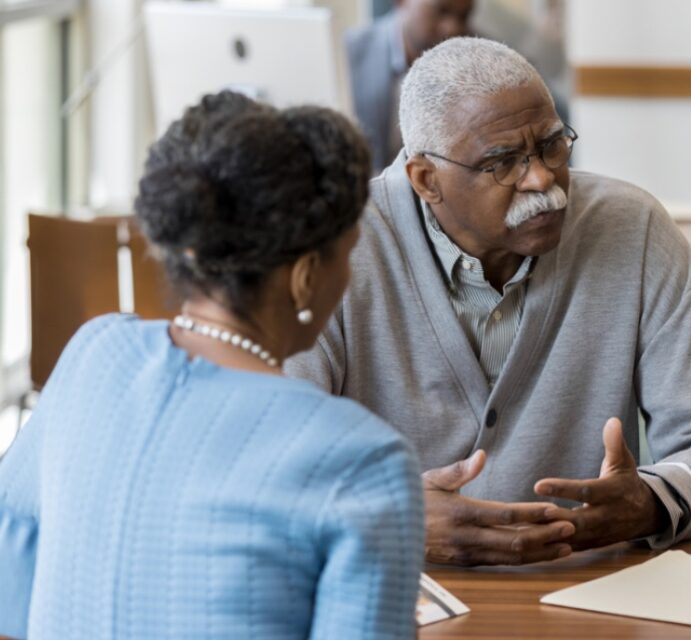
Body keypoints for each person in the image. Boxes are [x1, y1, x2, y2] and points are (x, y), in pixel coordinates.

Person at [285, 37, 691, 567]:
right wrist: (388, 515)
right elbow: (259, 467)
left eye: (551, 145)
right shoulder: (335, 247)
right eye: (502, 162)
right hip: (394, 592)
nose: (543, 179)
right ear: (427, 179)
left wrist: (652, 503)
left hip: (587, 595)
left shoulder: (632, 229)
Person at [0, 91, 424, 638]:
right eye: (350, 254)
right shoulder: (364, 462)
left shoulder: (93, 352)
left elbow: (10, 585)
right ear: (304, 276)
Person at [346, 0, 473, 171]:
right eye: (441, 11)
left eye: (464, 16)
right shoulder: (349, 53)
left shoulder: (477, 60)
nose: (453, 28)